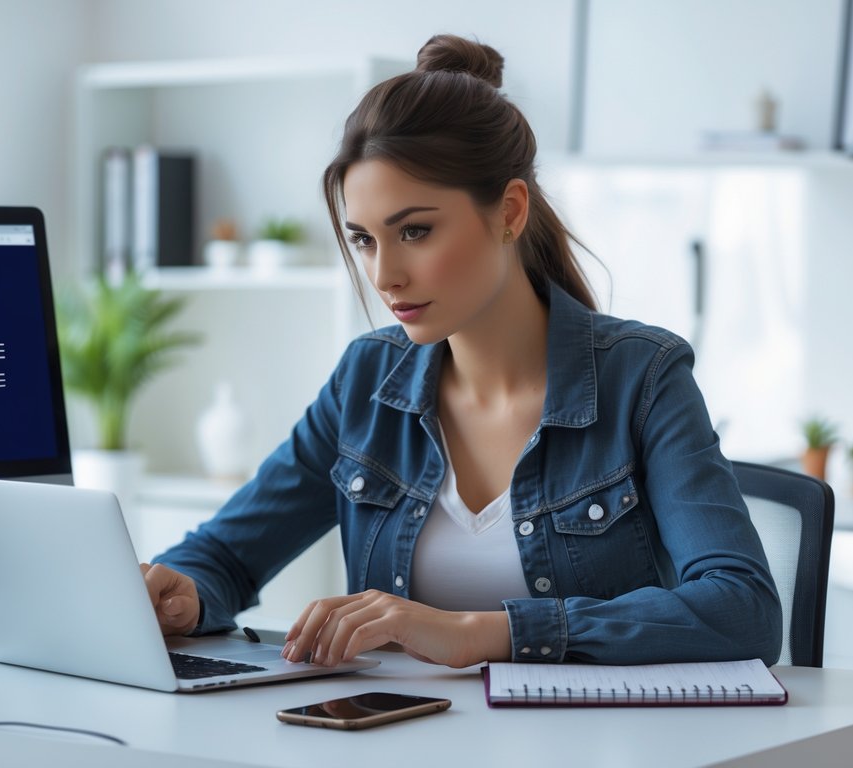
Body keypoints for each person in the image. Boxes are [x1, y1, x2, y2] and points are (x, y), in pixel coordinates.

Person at [142, 34, 782, 670]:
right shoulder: (365, 379)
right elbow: (226, 554)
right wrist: (186, 593)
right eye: (364, 239)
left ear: (508, 210)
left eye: (415, 231)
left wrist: (486, 632)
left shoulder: (643, 378)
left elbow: (742, 608)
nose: (384, 274)